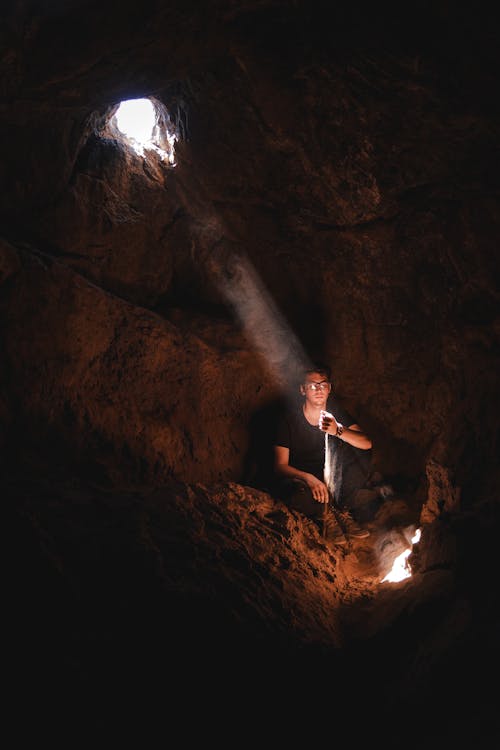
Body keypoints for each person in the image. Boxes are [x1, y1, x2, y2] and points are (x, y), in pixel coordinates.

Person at [272, 362, 372, 545]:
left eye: (323, 385)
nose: (318, 389)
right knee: (293, 492)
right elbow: (280, 465)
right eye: (312, 385)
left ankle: (340, 510)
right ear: (303, 390)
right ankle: (326, 515)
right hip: (302, 478)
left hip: (329, 477)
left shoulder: (335, 414)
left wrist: (338, 430)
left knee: (361, 458)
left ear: (329, 389)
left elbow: (366, 444)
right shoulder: (288, 419)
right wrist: (308, 478)